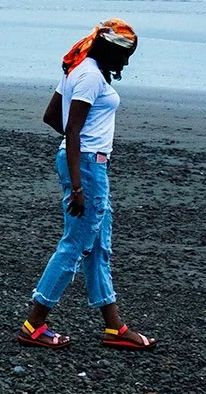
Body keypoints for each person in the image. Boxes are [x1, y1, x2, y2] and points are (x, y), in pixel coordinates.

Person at [16, 19, 157, 351]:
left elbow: (53, 117)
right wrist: (78, 184)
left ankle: (114, 328)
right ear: (110, 50)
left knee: (97, 249)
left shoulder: (77, 70)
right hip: (87, 168)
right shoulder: (91, 76)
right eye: (125, 56)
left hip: (85, 163)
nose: (126, 63)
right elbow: (72, 129)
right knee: (75, 245)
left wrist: (74, 150)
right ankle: (33, 324)